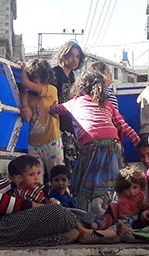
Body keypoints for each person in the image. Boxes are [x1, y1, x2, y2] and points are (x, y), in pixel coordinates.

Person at [0, 112, 93, 247]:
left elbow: (9, 191)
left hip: (4, 222)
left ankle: (91, 229)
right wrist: (36, 205)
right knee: (55, 212)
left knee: (71, 211)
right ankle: (89, 234)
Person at [50, 69, 140, 216]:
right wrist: (138, 143)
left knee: (85, 182)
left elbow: (55, 109)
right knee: (111, 182)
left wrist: (47, 106)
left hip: (91, 144)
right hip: (113, 144)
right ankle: (111, 215)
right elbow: (123, 126)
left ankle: (84, 217)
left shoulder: (75, 102)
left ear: (80, 86)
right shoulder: (107, 105)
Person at [18, 59, 62, 183]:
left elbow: (25, 83)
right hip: (34, 143)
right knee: (36, 179)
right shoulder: (30, 96)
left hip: (51, 140)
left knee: (58, 176)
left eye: (40, 78)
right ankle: (40, 201)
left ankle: (62, 201)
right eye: (35, 78)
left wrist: (24, 69)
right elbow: (27, 117)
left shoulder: (51, 90)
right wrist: (24, 100)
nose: (38, 82)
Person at [52, 41, 86, 176]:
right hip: (56, 125)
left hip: (71, 126)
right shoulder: (55, 73)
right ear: (63, 55)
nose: (74, 60)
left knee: (73, 163)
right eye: (71, 55)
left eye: (77, 57)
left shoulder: (72, 78)